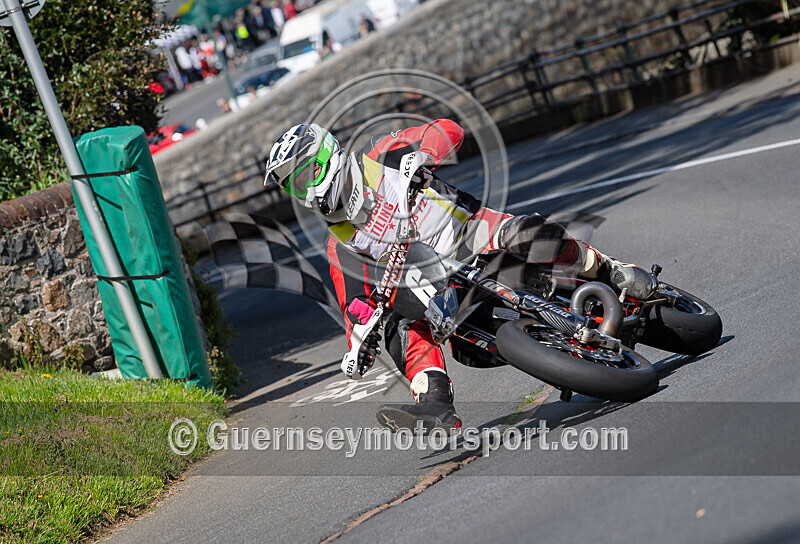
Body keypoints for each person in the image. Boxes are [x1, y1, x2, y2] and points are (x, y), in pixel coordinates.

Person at [263, 121, 657, 432]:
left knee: (528, 233)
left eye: (306, 176)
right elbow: (356, 304)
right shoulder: (338, 242)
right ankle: (433, 403)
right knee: (396, 325)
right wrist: (357, 346)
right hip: (438, 288)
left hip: (474, 235)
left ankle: (608, 269)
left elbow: (447, 130)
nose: (306, 192)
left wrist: (424, 155)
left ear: (327, 155)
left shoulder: (380, 153)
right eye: (295, 187)